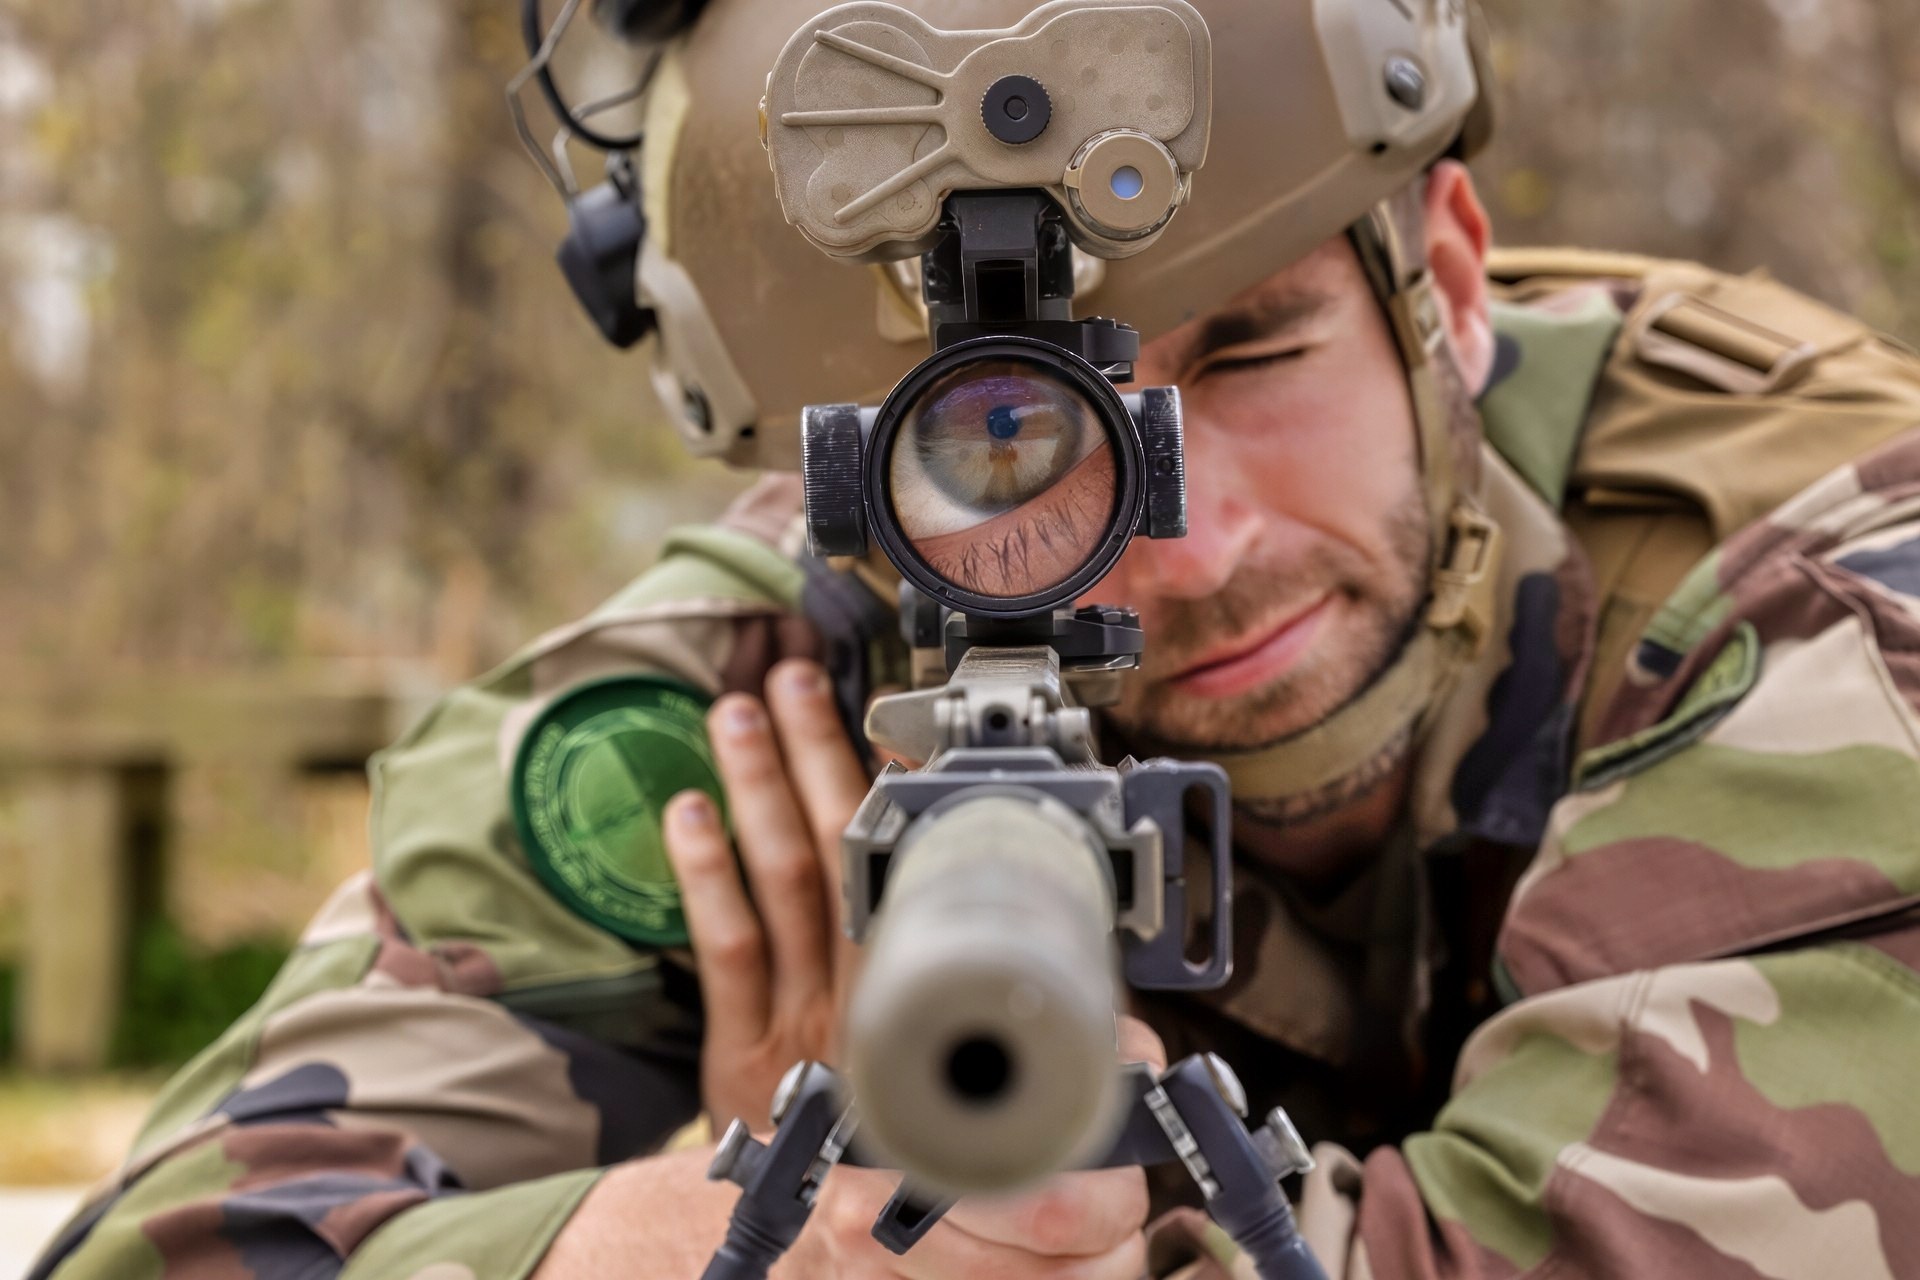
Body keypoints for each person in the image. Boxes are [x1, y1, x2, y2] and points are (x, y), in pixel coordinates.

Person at [33, 1, 1920, 1277]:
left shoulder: (1834, 582)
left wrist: (954, 1219)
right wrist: (722, 1238)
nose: (1187, 541)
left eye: (1256, 354)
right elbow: (184, 1239)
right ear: (839, 473)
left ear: (1441, 276)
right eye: (1001, 434)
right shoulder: (760, 698)